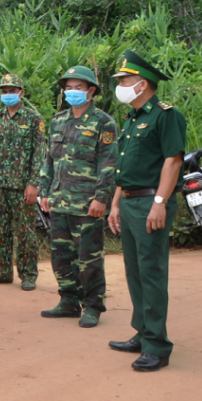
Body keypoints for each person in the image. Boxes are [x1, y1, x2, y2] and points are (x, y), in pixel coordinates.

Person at [107, 50, 185, 372]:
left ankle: (158, 346)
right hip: (128, 201)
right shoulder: (132, 118)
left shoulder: (165, 115)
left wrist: (159, 203)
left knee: (151, 272)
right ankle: (142, 332)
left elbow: (173, 160)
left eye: (124, 79)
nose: (120, 85)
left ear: (142, 84)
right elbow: (126, 166)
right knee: (134, 271)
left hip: (150, 203)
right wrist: (114, 203)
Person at [39, 66, 118, 328]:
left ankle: (93, 305)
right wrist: (44, 190)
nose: (72, 92)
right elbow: (49, 160)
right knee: (61, 256)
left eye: (78, 87)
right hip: (60, 201)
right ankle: (68, 301)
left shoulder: (103, 122)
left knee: (89, 258)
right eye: (68, 87)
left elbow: (108, 163)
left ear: (91, 91)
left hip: (87, 204)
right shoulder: (58, 121)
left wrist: (102, 197)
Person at [0, 74, 46, 291]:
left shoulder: (33, 119)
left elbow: (39, 153)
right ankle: (3, 271)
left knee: (25, 231)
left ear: (21, 92)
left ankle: (28, 274)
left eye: (12, 90)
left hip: (22, 186)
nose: (8, 94)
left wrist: (34, 183)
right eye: (4, 90)